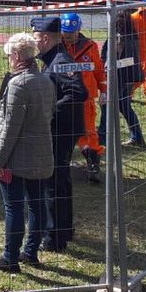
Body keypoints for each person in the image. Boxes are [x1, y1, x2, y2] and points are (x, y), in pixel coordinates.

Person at [0, 32, 56, 272]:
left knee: (13, 207)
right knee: (37, 204)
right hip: (41, 153)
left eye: (8, 56)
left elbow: (10, 127)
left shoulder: (18, 84)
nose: (8, 60)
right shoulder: (45, 80)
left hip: (16, 158)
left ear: (15, 55)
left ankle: (10, 258)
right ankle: (31, 252)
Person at [30, 15, 87, 253]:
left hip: (61, 130)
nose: (33, 42)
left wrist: (49, 111)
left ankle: (54, 236)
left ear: (45, 39)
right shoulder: (55, 58)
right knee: (60, 181)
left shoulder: (61, 60)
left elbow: (78, 92)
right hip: (64, 129)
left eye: (35, 38)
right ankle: (63, 229)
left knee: (52, 183)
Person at [59, 13, 107, 183]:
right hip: (63, 97)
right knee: (63, 131)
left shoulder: (90, 47)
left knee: (88, 132)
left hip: (85, 98)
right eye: (65, 32)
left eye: (71, 32)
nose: (68, 36)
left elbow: (99, 71)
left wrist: (104, 90)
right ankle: (61, 164)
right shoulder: (58, 46)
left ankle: (93, 163)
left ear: (78, 30)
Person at [98, 10, 146, 148]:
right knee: (125, 107)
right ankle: (137, 137)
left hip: (119, 77)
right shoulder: (132, 35)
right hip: (130, 76)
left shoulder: (119, 37)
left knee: (107, 106)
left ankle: (102, 137)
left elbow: (112, 59)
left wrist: (106, 72)